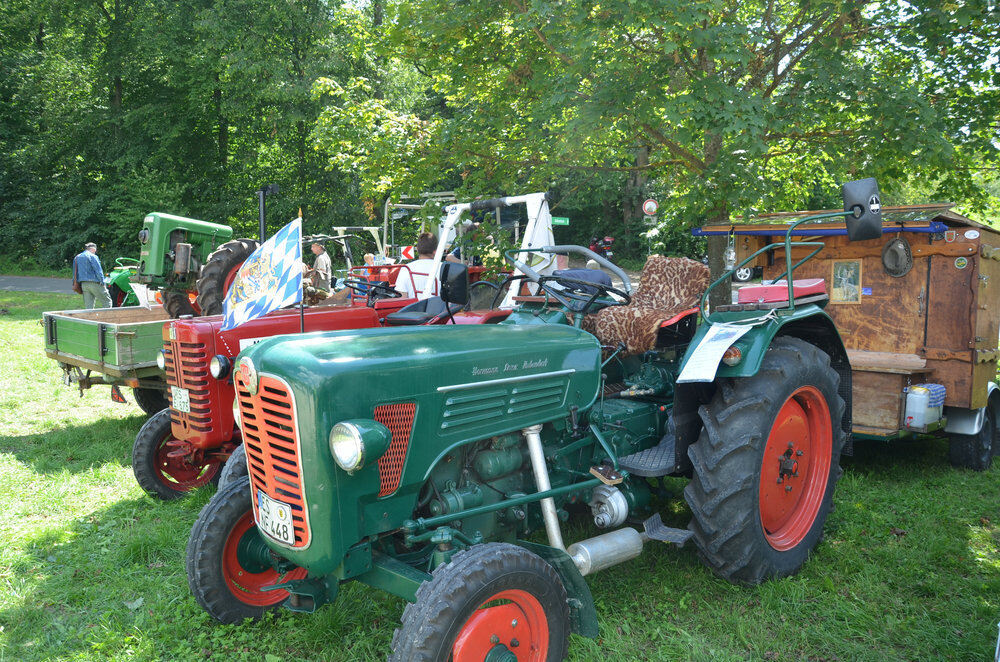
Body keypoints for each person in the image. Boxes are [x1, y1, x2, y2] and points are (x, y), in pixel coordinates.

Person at [396, 232, 440, 298]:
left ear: (417, 249)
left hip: (414, 307)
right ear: (435, 250)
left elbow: (402, 298)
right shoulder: (444, 267)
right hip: (439, 307)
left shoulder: (406, 269)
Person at [73, 242, 112, 309]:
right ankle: (107, 319)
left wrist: (75, 283)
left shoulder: (77, 257)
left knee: (89, 307)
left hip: (84, 284)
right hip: (94, 283)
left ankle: (89, 319)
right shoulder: (93, 256)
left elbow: (75, 273)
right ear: (93, 249)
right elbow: (98, 271)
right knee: (107, 302)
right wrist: (102, 282)